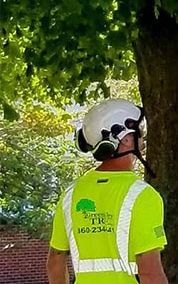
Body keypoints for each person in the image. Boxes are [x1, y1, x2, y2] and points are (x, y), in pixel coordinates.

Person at [47, 99, 168, 284]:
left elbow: (55, 261)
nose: (143, 137)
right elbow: (150, 273)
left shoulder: (70, 194)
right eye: (139, 132)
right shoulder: (143, 195)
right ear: (126, 139)